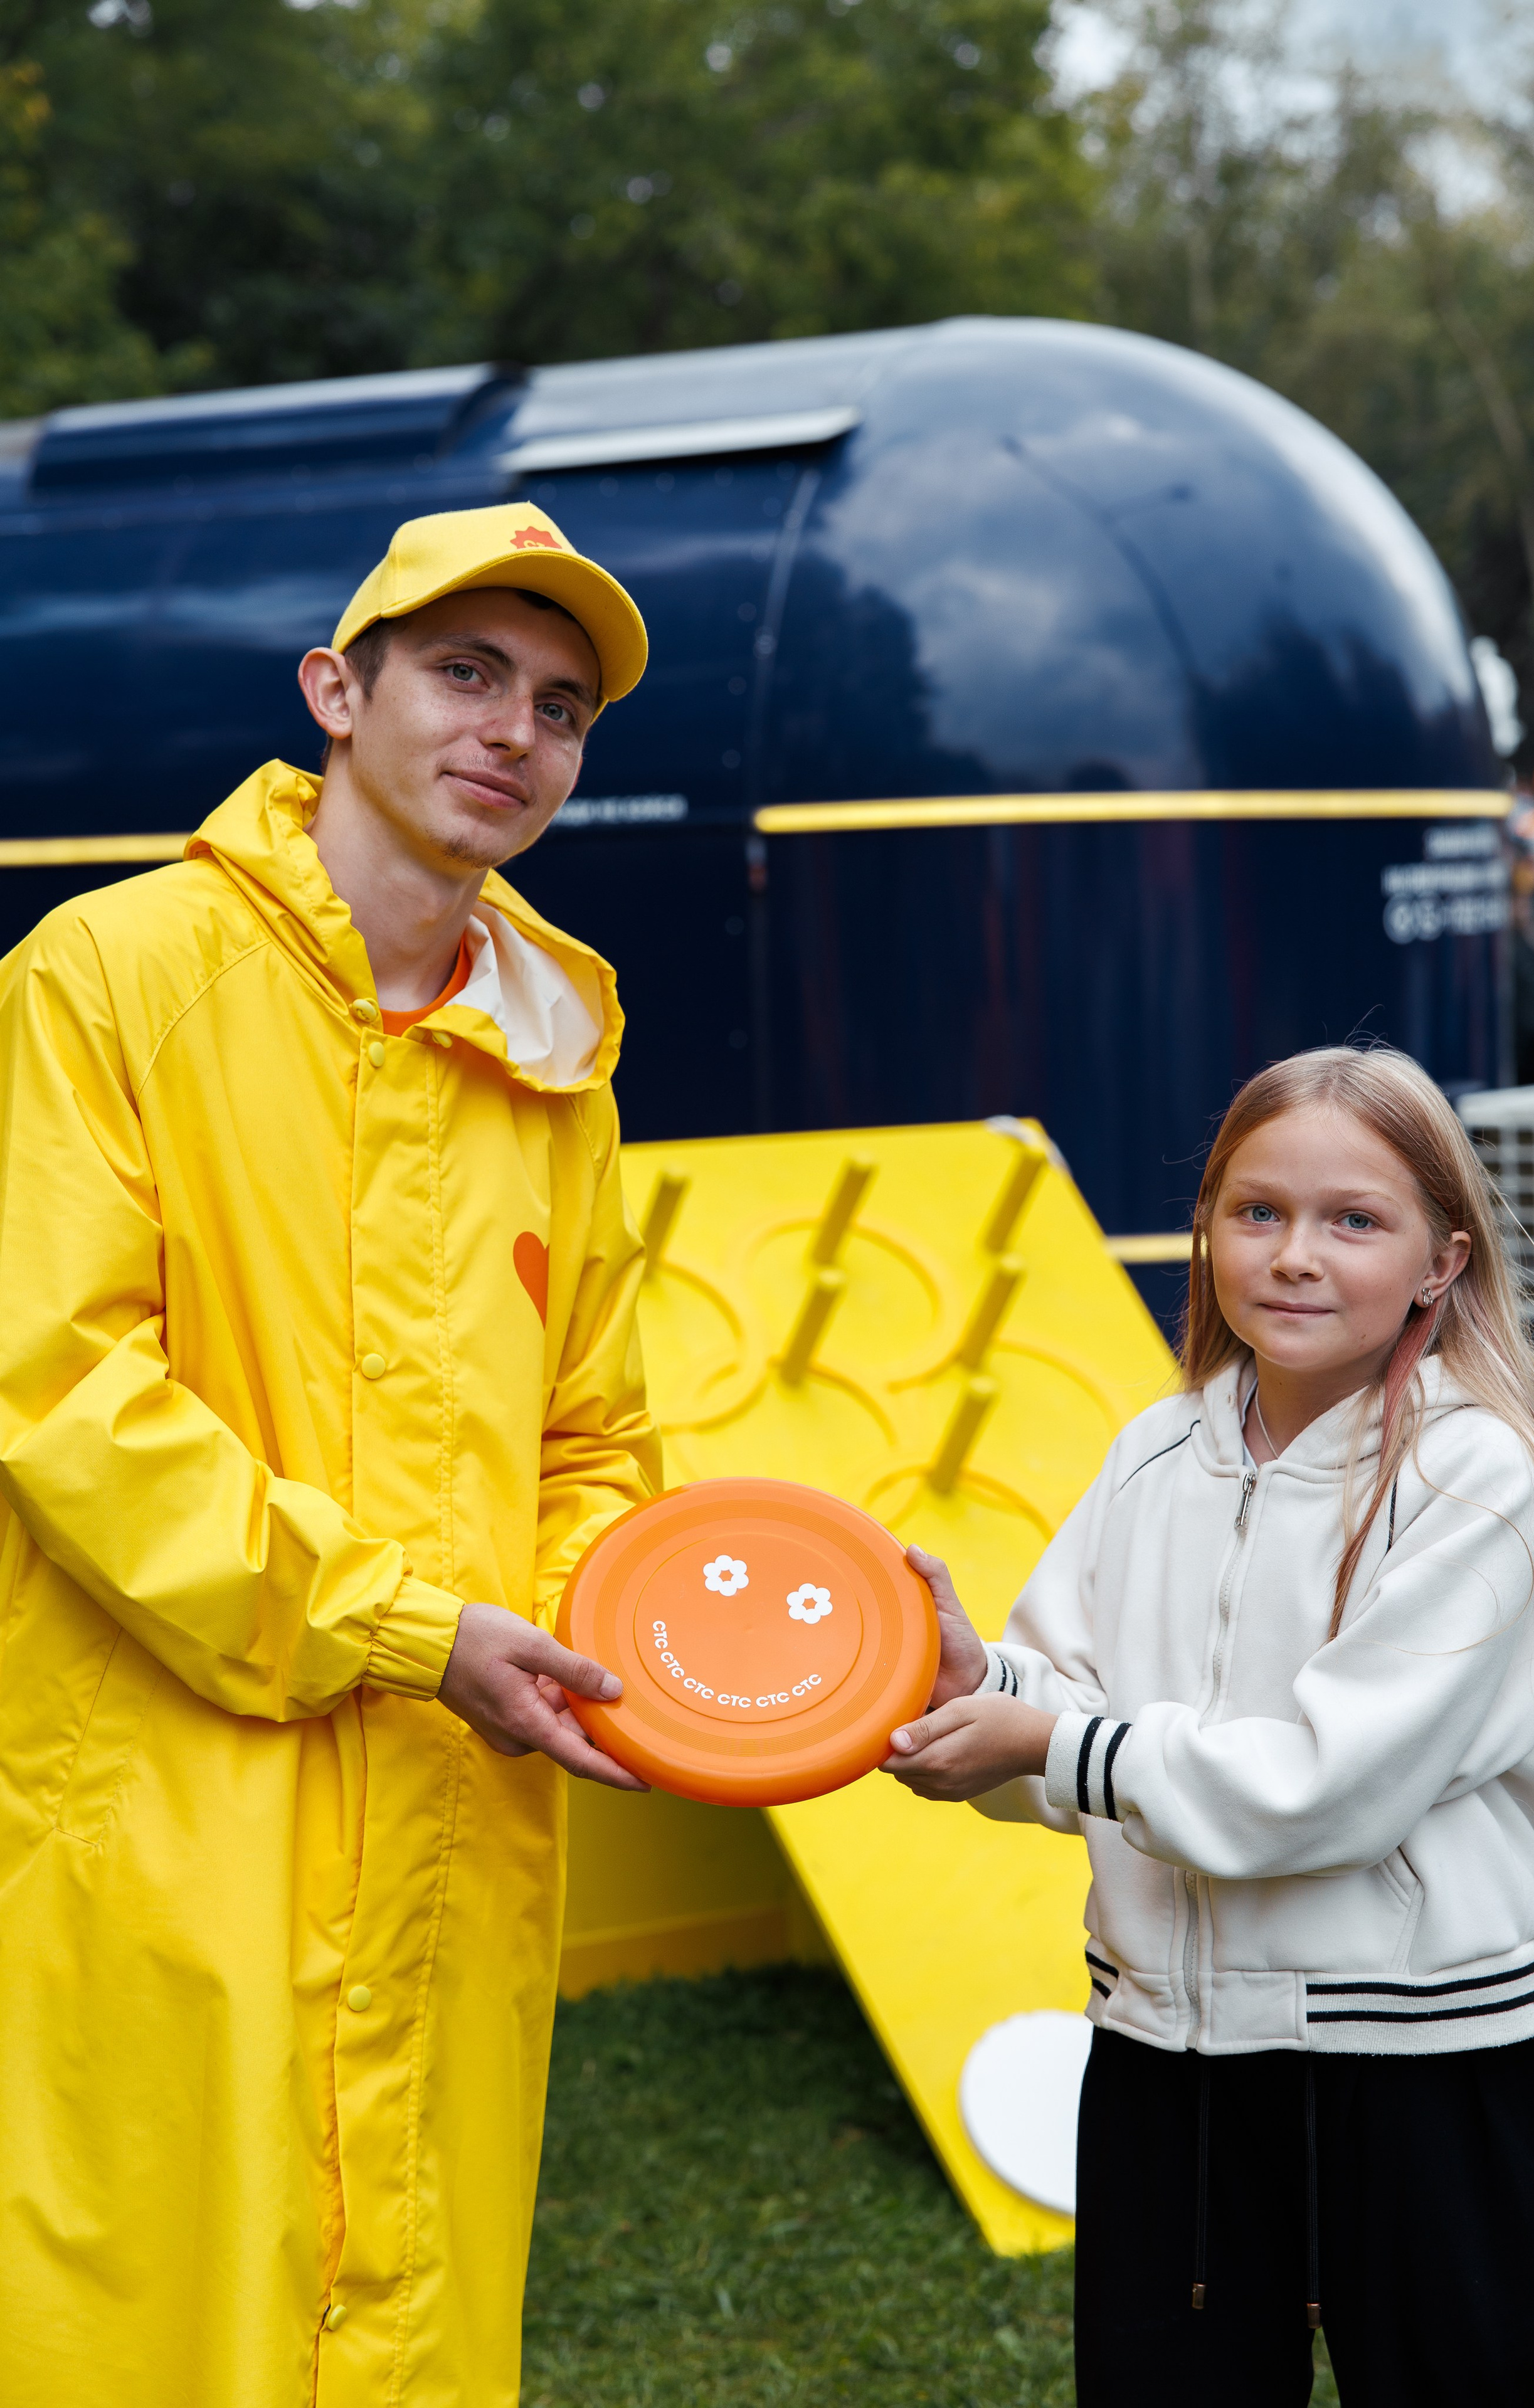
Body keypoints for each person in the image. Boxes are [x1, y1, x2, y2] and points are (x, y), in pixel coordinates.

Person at [0, 503, 662, 2406]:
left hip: (456, 1806)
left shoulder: (555, 1059)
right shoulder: (111, 976)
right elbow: (63, 1393)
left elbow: (594, 1431)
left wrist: (615, 1654)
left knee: (416, 2307)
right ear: (335, 692)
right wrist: (397, 1627)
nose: (513, 732)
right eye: (465, 674)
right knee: (141, 2313)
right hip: (160, 1807)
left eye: (560, 705)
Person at [884, 1045, 1534, 2407]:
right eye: (1255, 1211)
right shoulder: (1153, 1454)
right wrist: (980, 1685)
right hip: (1167, 2054)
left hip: (1419, 2068)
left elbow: (1320, 1793)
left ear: (1439, 1261)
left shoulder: (1473, 1474)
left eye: (1352, 1220)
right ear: (1204, 1227)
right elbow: (1066, 1711)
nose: (1292, 1255)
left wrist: (1046, 1741)